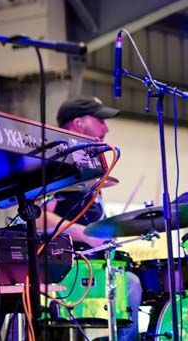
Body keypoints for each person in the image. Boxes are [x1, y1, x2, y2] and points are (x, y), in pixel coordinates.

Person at [42, 95, 142, 341]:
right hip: (66, 267)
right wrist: (87, 235)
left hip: (92, 265)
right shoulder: (56, 163)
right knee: (129, 284)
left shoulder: (88, 167)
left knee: (132, 279)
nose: (106, 128)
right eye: (100, 121)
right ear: (78, 123)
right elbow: (38, 218)